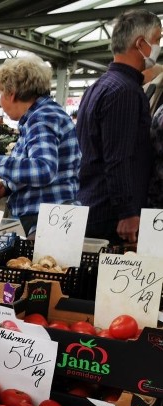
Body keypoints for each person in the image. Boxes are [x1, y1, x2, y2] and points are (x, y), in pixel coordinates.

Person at [0, 56, 80, 237]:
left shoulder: (40, 119)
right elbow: (42, 167)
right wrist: (7, 186)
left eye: (0, 92)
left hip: (46, 223)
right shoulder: (45, 114)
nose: (1, 101)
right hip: (53, 220)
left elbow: (44, 169)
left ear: (11, 93)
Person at [76, 9, 161, 244]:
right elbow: (118, 158)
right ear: (141, 43)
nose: (158, 47)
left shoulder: (98, 87)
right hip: (110, 216)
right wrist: (127, 212)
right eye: (157, 40)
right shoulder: (124, 92)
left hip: (93, 203)